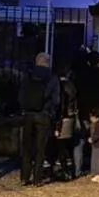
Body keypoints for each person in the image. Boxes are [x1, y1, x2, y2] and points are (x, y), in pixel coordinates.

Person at [19, 52, 60, 186]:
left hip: (28, 114)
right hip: (44, 114)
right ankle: (37, 179)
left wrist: (24, 108)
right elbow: (56, 100)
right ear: (48, 62)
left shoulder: (28, 75)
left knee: (26, 147)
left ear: (36, 61)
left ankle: (25, 177)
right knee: (40, 148)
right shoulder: (52, 77)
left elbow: (21, 95)